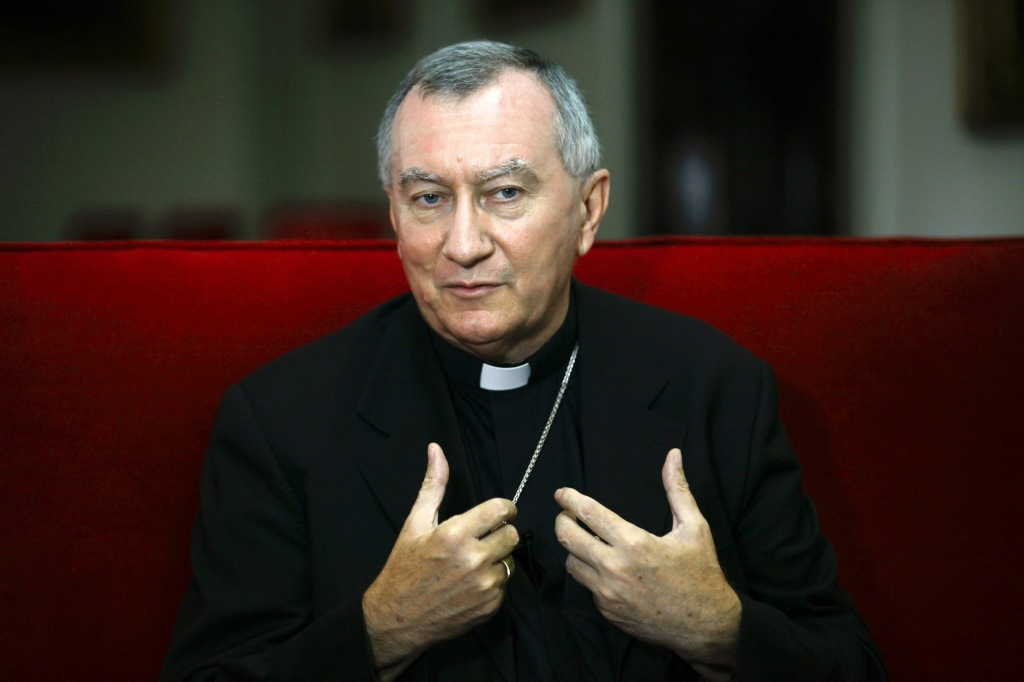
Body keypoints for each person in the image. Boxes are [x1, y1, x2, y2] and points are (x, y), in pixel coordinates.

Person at [161, 41, 886, 681]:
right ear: (393, 214)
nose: (463, 244)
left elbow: (850, 664)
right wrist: (381, 629)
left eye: (504, 193)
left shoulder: (715, 389)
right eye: (428, 198)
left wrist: (718, 630)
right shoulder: (282, 421)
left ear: (588, 211)